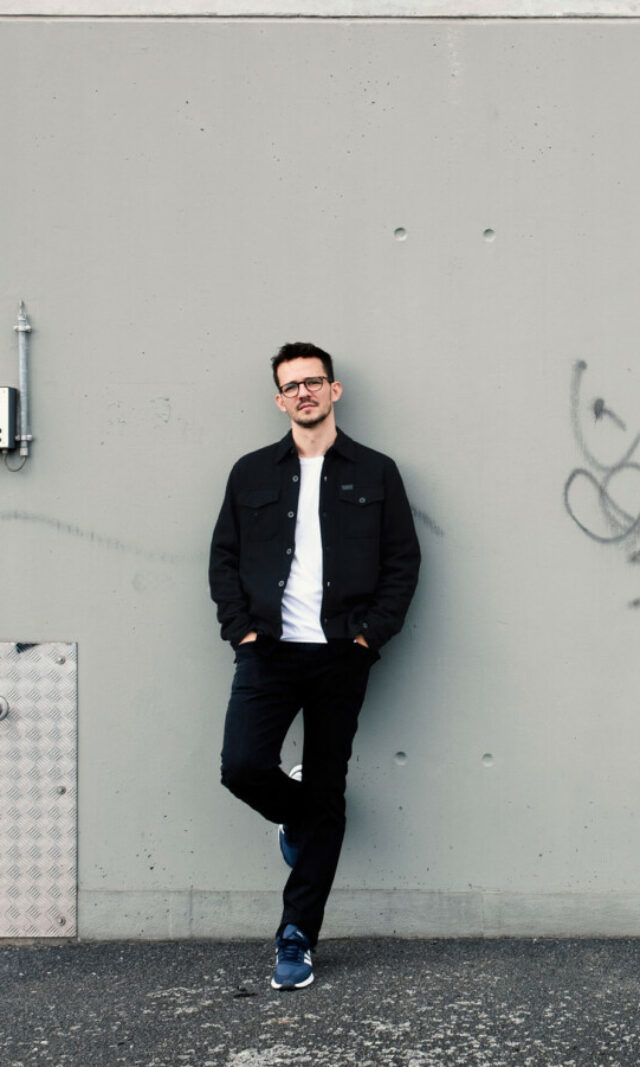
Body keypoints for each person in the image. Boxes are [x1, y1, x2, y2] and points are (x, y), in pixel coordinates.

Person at [209, 342, 420, 991]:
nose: (303, 392)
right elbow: (223, 558)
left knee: (328, 788)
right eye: (291, 385)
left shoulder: (376, 471)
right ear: (279, 400)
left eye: (313, 381)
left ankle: (296, 935)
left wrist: (368, 638)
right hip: (268, 650)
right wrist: (242, 632)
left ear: (334, 390)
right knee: (243, 766)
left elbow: (402, 561)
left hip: (340, 654)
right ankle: (299, 814)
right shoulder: (250, 472)